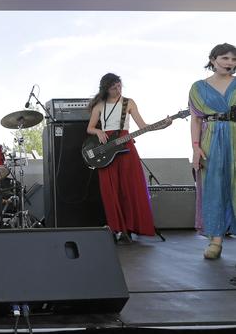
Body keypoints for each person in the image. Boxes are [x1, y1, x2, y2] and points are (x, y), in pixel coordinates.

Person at [86, 73, 169, 240]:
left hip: (126, 145)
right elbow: (90, 128)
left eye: (119, 86)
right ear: (106, 89)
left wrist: (163, 126)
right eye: (113, 87)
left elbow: (143, 126)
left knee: (130, 187)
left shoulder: (128, 102)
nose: (118, 89)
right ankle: (117, 228)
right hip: (107, 147)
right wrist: (99, 131)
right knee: (111, 189)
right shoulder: (99, 105)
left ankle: (130, 228)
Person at [189, 43, 236, 259]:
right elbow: (196, 120)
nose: (230, 63)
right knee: (213, 185)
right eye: (225, 58)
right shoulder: (198, 87)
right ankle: (215, 240)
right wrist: (196, 148)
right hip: (210, 139)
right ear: (213, 59)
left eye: (234, 60)